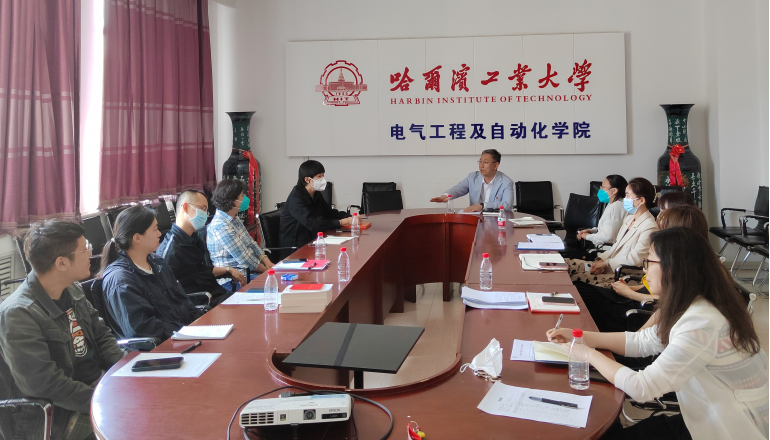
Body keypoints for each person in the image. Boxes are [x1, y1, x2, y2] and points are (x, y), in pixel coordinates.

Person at [547, 228, 768, 440]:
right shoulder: (696, 304)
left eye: (649, 262)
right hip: (708, 416)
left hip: (725, 429)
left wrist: (587, 353)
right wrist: (580, 336)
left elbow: (642, 387)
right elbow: (642, 341)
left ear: (673, 267)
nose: (644, 270)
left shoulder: (701, 322)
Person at [0, 220, 125, 440]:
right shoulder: (18, 314)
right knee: (139, 422)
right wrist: (101, 399)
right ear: (61, 263)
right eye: (85, 248)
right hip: (61, 413)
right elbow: (44, 384)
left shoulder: (72, 289)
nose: (91, 252)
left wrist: (126, 371)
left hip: (98, 388)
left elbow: (101, 336)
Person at [580, 205, 711, 333]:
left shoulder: (686, 270)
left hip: (642, 309)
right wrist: (628, 289)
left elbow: (669, 301)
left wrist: (629, 293)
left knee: (589, 302)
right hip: (640, 301)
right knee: (583, 291)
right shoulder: (678, 261)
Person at [100, 206, 205, 341]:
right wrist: (186, 331)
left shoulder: (157, 262)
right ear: (137, 237)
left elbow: (182, 301)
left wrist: (201, 321)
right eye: (155, 229)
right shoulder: (120, 279)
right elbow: (142, 329)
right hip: (163, 344)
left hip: (184, 334)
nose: (159, 233)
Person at [568, 177, 659, 288]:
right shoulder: (629, 219)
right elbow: (616, 246)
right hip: (611, 267)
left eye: (628, 195)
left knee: (574, 280)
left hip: (623, 274)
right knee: (567, 265)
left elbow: (636, 258)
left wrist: (607, 263)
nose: (625, 199)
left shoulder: (649, 227)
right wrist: (601, 261)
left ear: (641, 200)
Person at [157, 190, 243, 305]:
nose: (205, 214)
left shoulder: (195, 239)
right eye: (202, 208)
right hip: (202, 305)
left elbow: (202, 270)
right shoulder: (171, 250)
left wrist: (228, 269)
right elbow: (168, 294)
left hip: (217, 295)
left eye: (206, 210)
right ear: (185, 207)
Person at [208, 179, 273, 290]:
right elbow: (244, 258)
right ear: (231, 200)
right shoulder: (220, 225)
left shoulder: (234, 218)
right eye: (242, 195)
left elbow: (250, 243)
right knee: (275, 287)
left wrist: (266, 260)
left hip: (248, 273)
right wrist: (268, 271)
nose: (245, 198)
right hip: (232, 280)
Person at [279, 160, 353, 248]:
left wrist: (350, 217)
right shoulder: (295, 199)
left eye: (323, 176)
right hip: (296, 248)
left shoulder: (316, 194)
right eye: (319, 176)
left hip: (313, 241)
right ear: (307, 179)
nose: (323, 180)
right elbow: (314, 225)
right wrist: (341, 222)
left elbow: (329, 213)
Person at [563, 175, 628, 259]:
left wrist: (587, 236)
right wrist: (591, 231)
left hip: (605, 252)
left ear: (614, 190)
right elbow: (610, 229)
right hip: (603, 248)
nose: (600, 189)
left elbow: (608, 238)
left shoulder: (616, 207)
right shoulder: (612, 204)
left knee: (570, 259)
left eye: (603, 187)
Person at [429, 149, 514, 212]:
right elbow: (458, 188)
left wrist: (483, 206)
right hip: (475, 218)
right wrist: (446, 196)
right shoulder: (472, 177)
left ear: (495, 165)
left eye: (485, 162)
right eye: (480, 162)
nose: (481, 166)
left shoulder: (506, 182)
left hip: (496, 220)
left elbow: (507, 205)